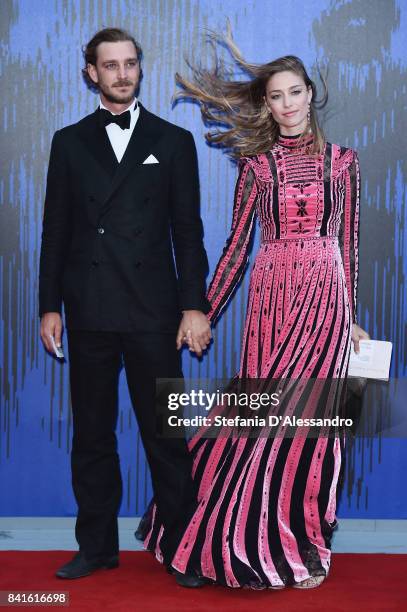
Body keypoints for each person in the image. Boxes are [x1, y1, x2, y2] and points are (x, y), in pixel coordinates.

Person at [140, 31, 370, 589]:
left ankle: (299, 543)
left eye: (295, 92)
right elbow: (236, 252)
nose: (287, 104)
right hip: (271, 302)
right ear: (266, 104)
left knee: (313, 428)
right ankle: (207, 535)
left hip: (326, 303)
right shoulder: (257, 168)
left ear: (310, 94)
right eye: (276, 96)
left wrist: (353, 314)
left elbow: (349, 242)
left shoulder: (344, 163)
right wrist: (202, 312)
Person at [39, 27, 212, 587]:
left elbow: (188, 234)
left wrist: (194, 307)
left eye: (130, 63)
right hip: (88, 311)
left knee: (165, 434)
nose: (121, 73)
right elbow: (55, 232)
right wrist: (49, 306)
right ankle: (96, 548)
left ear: (140, 68)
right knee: (92, 435)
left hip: (155, 314)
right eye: (109, 64)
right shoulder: (68, 142)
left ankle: (184, 550)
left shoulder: (173, 140)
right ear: (91, 72)